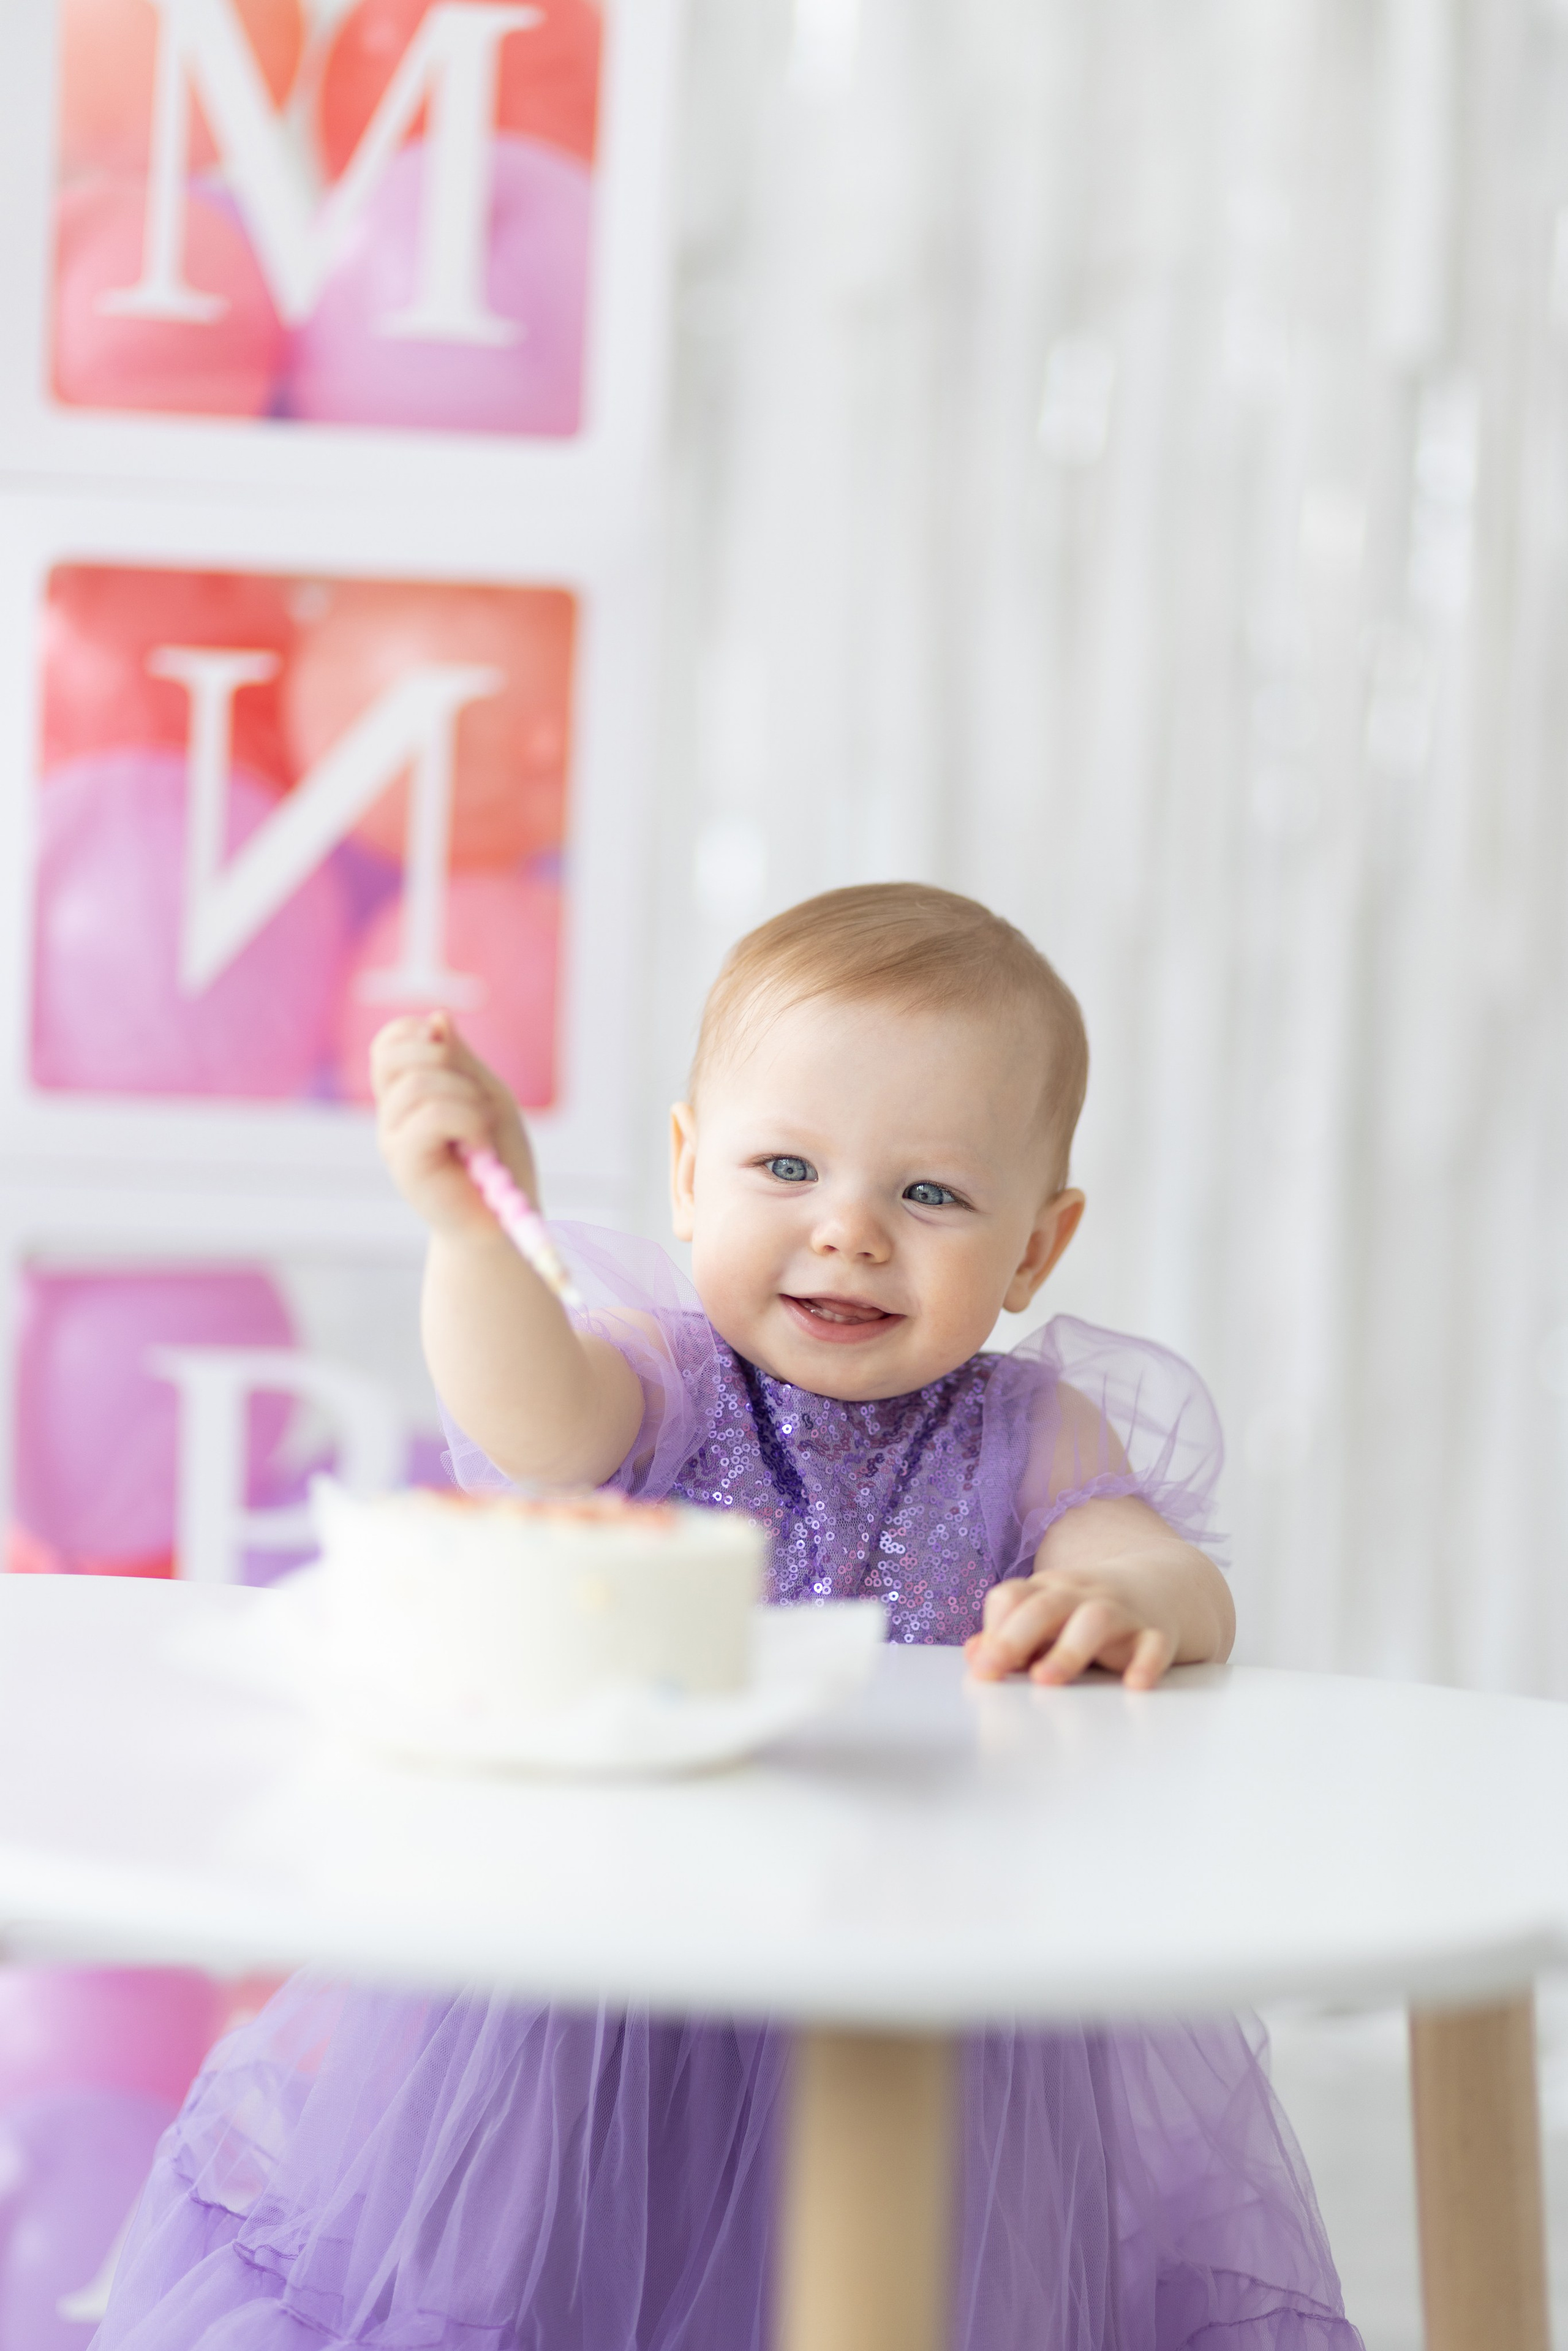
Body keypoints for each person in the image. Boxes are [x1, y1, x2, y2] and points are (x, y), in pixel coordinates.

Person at [94, 884, 1360, 2350]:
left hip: (922, 1996)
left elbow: (1168, 1572)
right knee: (536, 2292)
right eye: (786, 1165)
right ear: (690, 1177)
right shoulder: (663, 1375)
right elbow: (536, 1419)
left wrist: (1110, 1592)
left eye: (929, 1193)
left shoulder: (1032, 1428)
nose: (849, 1231)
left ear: (1034, 1246)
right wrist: (474, 1237)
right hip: (592, 2001)